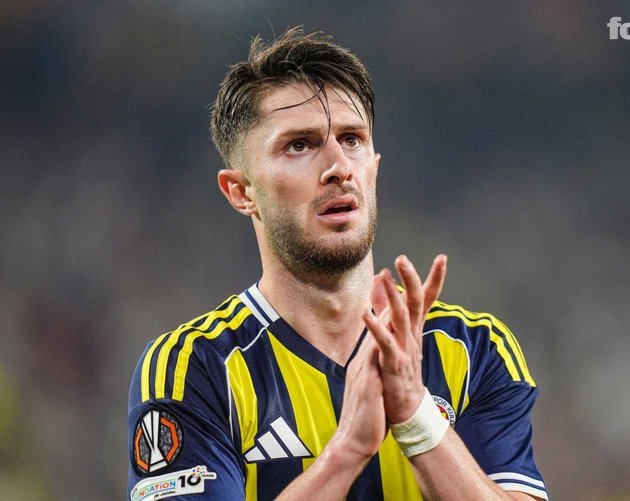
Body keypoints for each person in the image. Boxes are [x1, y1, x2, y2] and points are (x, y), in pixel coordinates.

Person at [128, 27, 547, 501]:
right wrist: (347, 451)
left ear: (374, 168)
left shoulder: (472, 349)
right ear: (241, 192)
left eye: (352, 139)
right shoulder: (193, 367)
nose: (339, 167)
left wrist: (416, 416)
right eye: (299, 145)